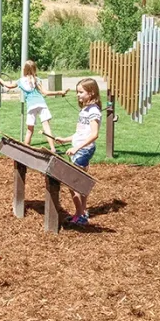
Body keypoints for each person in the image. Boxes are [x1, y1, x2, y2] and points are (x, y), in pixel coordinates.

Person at [55, 78, 101, 226]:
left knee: (72, 183)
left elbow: (94, 134)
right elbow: (80, 134)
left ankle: (80, 215)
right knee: (81, 183)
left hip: (83, 151)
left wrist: (77, 148)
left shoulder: (93, 111)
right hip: (80, 149)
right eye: (77, 92)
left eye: (81, 92)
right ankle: (82, 212)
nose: (77, 95)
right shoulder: (85, 110)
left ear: (91, 93)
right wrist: (65, 140)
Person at [0, 60, 69, 152]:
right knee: (46, 127)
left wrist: (0, 80)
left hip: (31, 106)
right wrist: (60, 92)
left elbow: (9, 86)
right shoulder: (37, 80)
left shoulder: (21, 81)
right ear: (34, 69)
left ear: (24, 70)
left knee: (30, 129)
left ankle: (25, 149)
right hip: (41, 104)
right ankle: (53, 148)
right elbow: (45, 93)